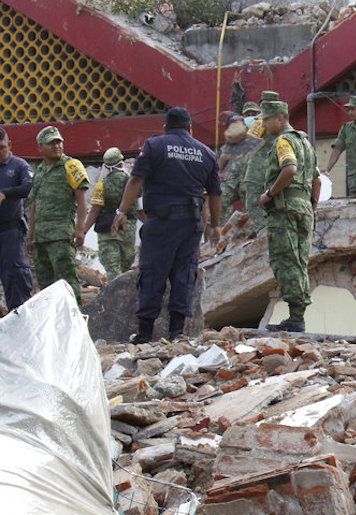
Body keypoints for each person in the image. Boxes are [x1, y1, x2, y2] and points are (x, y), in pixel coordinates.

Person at [112, 107, 221, 343]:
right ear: (190, 128)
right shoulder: (207, 153)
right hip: (191, 224)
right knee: (184, 273)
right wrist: (215, 225)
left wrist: (121, 210)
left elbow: (136, 179)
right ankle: (177, 332)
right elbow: (215, 193)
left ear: (166, 127)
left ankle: (144, 334)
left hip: (161, 221)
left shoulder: (155, 145)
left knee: (153, 272)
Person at [258, 99, 321, 333]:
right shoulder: (305, 142)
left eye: (267, 119)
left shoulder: (283, 141)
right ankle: (298, 315)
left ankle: (296, 317)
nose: (264, 124)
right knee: (300, 261)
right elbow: (316, 178)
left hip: (284, 209)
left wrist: (269, 193)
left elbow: (290, 168)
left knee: (286, 260)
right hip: (304, 208)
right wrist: (312, 205)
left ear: (281, 118)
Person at [28, 126, 88, 305]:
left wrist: (80, 229)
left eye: (58, 142)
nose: (56, 146)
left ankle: (75, 322)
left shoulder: (71, 165)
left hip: (61, 236)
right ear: (41, 147)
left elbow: (82, 199)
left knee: (67, 282)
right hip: (41, 238)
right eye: (51, 143)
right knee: (46, 287)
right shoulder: (39, 171)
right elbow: (34, 204)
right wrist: (31, 235)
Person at [81, 148, 137, 280]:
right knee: (123, 270)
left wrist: (83, 232)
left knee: (113, 272)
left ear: (106, 165)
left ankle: (115, 298)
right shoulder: (132, 184)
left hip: (107, 234)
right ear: (121, 162)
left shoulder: (101, 185)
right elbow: (139, 210)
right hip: (128, 234)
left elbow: (95, 210)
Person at [0, 127, 35, 312]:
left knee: (15, 278)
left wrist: (5, 193)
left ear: (9, 145)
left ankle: (20, 319)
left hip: (11, 232)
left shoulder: (19, 165)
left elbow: (29, 187)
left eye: (2, 148)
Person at [240, 91, 282, 229]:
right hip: (277, 171)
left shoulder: (260, 121)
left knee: (254, 206)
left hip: (257, 172)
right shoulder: (282, 120)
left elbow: (249, 143)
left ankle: (264, 233)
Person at [218, 113, 261, 224]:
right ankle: (217, 236)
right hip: (234, 178)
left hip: (250, 180)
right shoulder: (241, 129)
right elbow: (225, 155)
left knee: (251, 214)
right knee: (219, 204)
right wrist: (219, 172)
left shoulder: (259, 125)